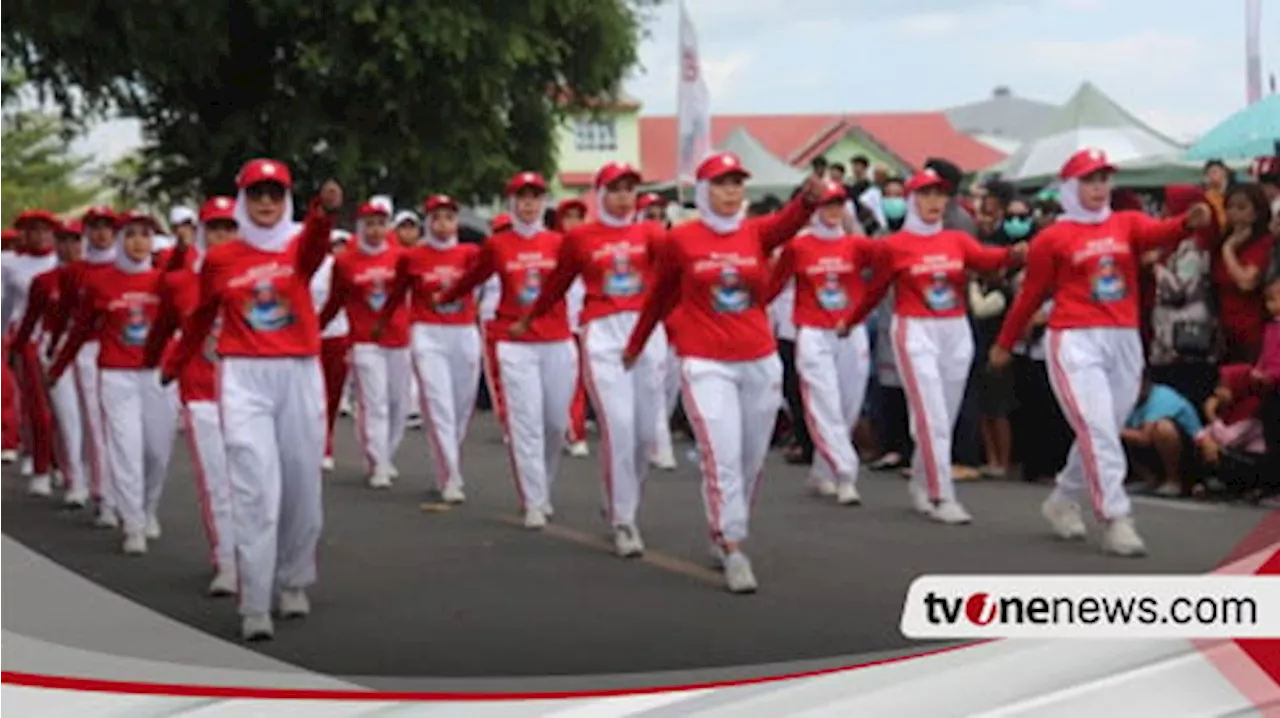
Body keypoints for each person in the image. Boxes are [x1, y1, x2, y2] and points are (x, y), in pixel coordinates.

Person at [991, 148, 1212, 557]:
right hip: (1074, 338)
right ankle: (1116, 517)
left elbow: (1159, 232)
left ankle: (1061, 500)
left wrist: (1186, 223)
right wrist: (1005, 343)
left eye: (1104, 179)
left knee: (1104, 428)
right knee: (1096, 428)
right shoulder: (1052, 237)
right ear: (1071, 187)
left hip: (1123, 338)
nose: (1098, 188)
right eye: (1089, 181)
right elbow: (1030, 296)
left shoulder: (1126, 223)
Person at [623, 153, 821, 593]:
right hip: (705, 361)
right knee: (721, 453)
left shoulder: (755, 232)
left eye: (737, 184)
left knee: (751, 458)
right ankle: (732, 545)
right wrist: (637, 344)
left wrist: (808, 200)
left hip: (759, 358)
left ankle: (724, 527)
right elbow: (658, 296)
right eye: (722, 184)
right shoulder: (683, 240)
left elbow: (788, 222)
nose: (731, 192)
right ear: (703, 191)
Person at [162, 160, 341, 641]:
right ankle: (255, 601)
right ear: (242, 199)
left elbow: (318, 245)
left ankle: (294, 581)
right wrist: (176, 360)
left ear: (286, 200)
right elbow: (200, 315)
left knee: (302, 484)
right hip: (242, 375)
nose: (266, 202)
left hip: (299, 371)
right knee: (254, 487)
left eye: (275, 194)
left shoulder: (299, 246)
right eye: (257, 193)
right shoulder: (220, 259)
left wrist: (323, 212)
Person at [839, 169, 1023, 524]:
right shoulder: (894, 245)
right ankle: (942, 496)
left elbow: (987, 261)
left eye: (940, 195)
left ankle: (922, 482)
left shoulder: (957, 240)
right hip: (915, 330)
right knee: (932, 415)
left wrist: (1016, 254)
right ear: (911, 200)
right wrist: (851, 319)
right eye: (925, 195)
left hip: (955, 331)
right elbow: (875, 289)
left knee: (945, 416)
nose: (934, 202)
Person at [514, 161, 668, 557]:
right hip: (602, 333)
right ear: (600, 194)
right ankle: (624, 519)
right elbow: (558, 283)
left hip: (646, 332)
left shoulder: (651, 232)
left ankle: (620, 497)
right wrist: (530, 317)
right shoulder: (581, 237)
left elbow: (673, 280)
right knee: (618, 426)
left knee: (646, 434)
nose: (623, 197)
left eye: (630, 189)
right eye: (615, 189)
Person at [436, 172, 576, 529]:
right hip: (514, 342)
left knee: (555, 424)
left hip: (557, 340)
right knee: (526, 421)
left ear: (543, 203)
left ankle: (542, 482)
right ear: (511, 203)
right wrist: (448, 297)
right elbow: (473, 278)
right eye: (521, 198)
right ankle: (533, 498)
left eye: (534, 197)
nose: (528, 205)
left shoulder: (560, 243)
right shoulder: (498, 245)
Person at [48, 211, 179, 556]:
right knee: (125, 447)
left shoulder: (164, 281)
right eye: (132, 235)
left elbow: (186, 322)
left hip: (157, 375)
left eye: (145, 235)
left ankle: (148, 508)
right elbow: (79, 332)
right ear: (121, 240)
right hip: (116, 374)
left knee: (157, 450)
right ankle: (133, 523)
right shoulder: (101, 283)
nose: (139, 242)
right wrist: (57, 367)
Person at [143, 196, 239, 595]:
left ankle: (263, 557)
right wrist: (154, 365)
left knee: (258, 485)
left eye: (230, 228)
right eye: (215, 228)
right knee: (216, 483)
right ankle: (227, 562)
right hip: (200, 392)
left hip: (250, 394)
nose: (222, 236)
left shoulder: (258, 276)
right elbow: (162, 328)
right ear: (201, 232)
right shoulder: (179, 282)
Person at [767, 181, 879, 505]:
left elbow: (887, 270)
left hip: (850, 332)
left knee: (848, 406)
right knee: (824, 403)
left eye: (838, 204)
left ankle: (821, 471)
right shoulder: (798, 248)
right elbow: (772, 288)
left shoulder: (859, 246)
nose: (832, 211)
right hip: (813, 333)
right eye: (827, 204)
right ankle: (846, 474)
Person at [378, 194, 480, 504]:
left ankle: (446, 462)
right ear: (428, 221)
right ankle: (450, 475)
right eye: (436, 217)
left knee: (461, 407)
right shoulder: (413, 257)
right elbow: (396, 294)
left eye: (449, 217)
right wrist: (382, 322)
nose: (443, 224)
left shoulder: (470, 254)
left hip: (464, 332)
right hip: (427, 333)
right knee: (438, 406)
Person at [319, 200, 410, 489]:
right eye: (369, 224)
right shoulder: (345, 263)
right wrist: (315, 327)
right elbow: (335, 300)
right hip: (364, 341)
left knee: (399, 404)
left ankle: (387, 452)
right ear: (360, 227)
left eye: (381, 224)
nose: (375, 230)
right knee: (374, 403)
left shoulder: (402, 257)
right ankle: (377, 461)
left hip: (398, 339)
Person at [44, 206, 121, 527]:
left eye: (107, 226)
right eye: (95, 227)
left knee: (121, 428)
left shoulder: (127, 266)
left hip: (123, 352)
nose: (101, 233)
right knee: (93, 423)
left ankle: (132, 497)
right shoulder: (75, 272)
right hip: (85, 351)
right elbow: (63, 316)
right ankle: (101, 495)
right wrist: (55, 354)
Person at [12, 219, 88, 506]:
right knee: (65, 417)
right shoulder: (44, 281)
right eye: (64, 240)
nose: (70, 247)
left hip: (93, 353)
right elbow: (29, 320)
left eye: (76, 240)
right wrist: (17, 351)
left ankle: (96, 479)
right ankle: (73, 480)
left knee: (93, 420)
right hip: (54, 350)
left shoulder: (99, 276)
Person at [0, 210, 60, 497]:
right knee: (38, 409)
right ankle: (40, 467)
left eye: (44, 230)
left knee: (64, 409)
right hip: (28, 340)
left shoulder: (62, 261)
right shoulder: (11, 265)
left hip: (59, 340)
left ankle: (64, 464)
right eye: (32, 230)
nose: (39, 235)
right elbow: (6, 305)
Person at [1144, 185, 1219, 411]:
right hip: (1167, 339)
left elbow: (1179, 289)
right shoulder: (1171, 243)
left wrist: (1154, 266)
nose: (1164, 210)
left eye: (1168, 204)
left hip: (1185, 341)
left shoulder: (1192, 247)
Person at [1213, 183, 1275, 362]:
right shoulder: (1221, 240)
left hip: (1255, 333)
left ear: (1257, 212)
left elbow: (1246, 282)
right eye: (1230, 207)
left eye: (1241, 207)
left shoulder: (1264, 243)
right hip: (1224, 333)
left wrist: (1229, 250)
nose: (1234, 212)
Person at [552, 197, 593, 458]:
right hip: (561, 324)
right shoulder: (553, 247)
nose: (574, 223)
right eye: (569, 217)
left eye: (579, 217)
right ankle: (574, 433)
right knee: (571, 381)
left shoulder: (593, 247)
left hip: (589, 323)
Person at [1121, 373, 1203, 497]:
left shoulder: (1162, 397)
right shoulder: (1129, 401)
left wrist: (1114, 430)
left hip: (1190, 454)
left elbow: (1145, 438)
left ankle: (1174, 481)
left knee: (1163, 428)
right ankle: (1149, 479)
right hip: (1151, 454)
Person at [311, 229, 352, 472]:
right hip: (307, 340)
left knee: (332, 395)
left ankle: (326, 441)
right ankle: (316, 443)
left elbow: (342, 299)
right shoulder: (304, 266)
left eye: (342, 244)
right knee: (312, 395)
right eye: (334, 244)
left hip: (336, 335)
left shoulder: (337, 268)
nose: (338, 248)